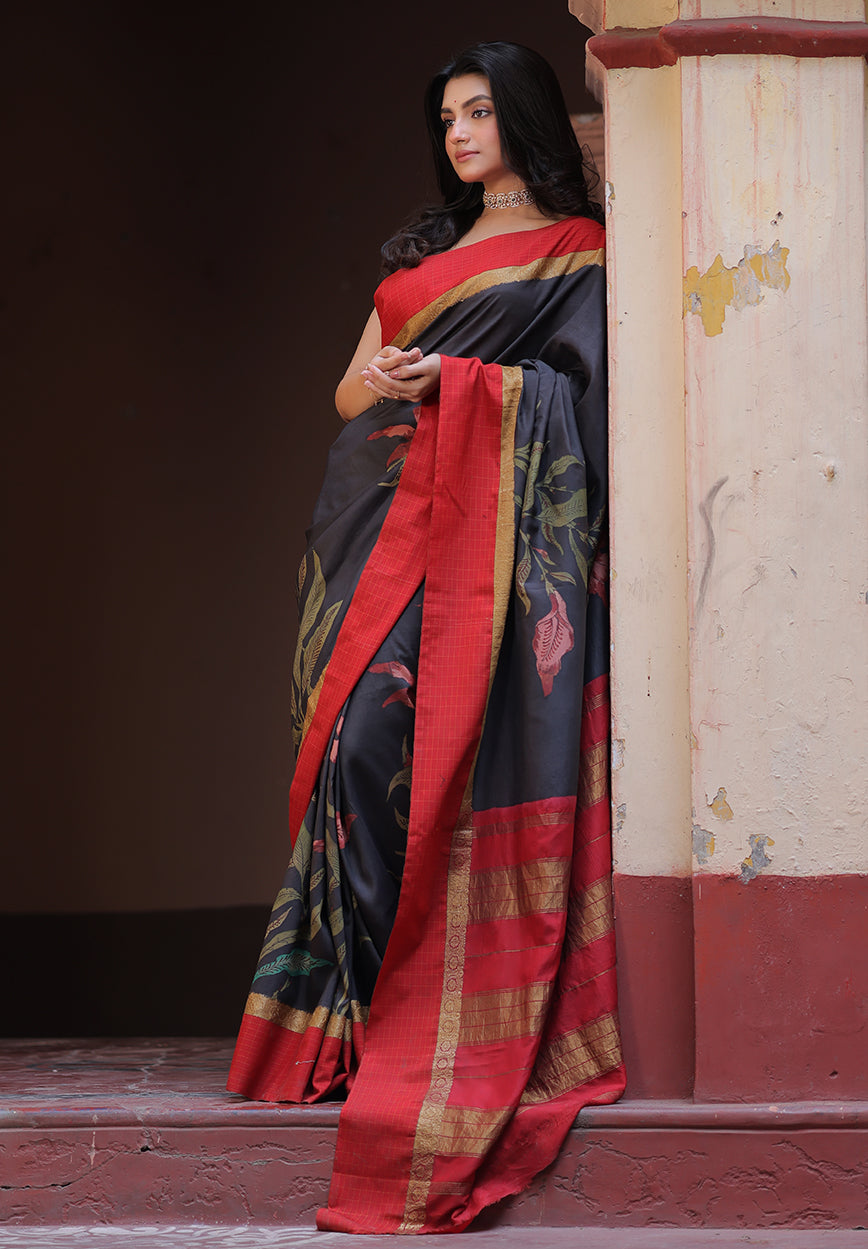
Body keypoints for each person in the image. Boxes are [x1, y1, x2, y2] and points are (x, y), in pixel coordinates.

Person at [228, 41, 625, 1235]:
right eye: (445, 117)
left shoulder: (579, 253)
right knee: (353, 749)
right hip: (375, 524)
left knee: (415, 750)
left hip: (491, 541)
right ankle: (353, 1019)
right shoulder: (418, 255)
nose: (457, 134)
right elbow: (349, 390)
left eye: (476, 112)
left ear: (520, 118)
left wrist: (460, 384)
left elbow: (580, 392)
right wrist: (400, 376)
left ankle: (428, 1018)